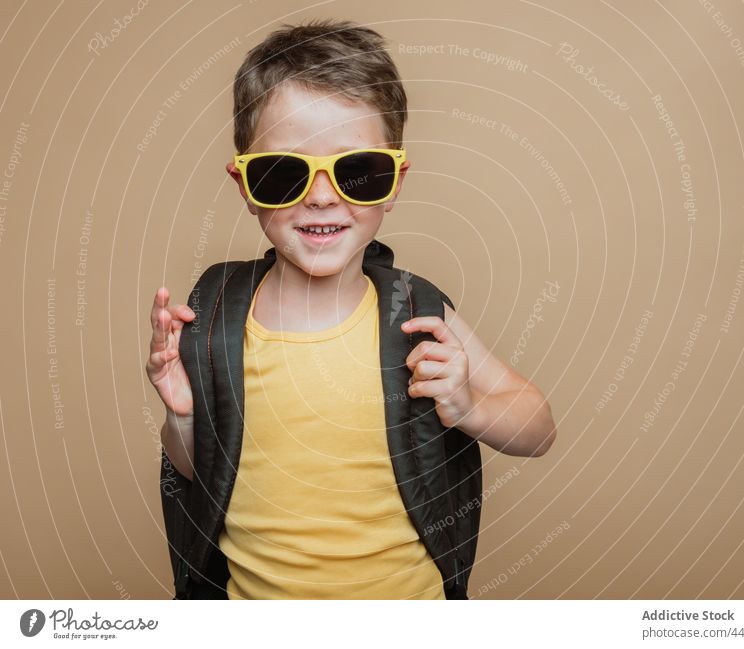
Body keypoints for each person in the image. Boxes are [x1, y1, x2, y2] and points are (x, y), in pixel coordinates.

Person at [145, 18, 556, 600]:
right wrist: (185, 419)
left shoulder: (416, 313)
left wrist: (468, 405)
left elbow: (538, 431)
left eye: (356, 171)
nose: (321, 195)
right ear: (244, 183)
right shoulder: (214, 316)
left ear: (392, 182)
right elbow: (196, 476)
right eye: (283, 172)